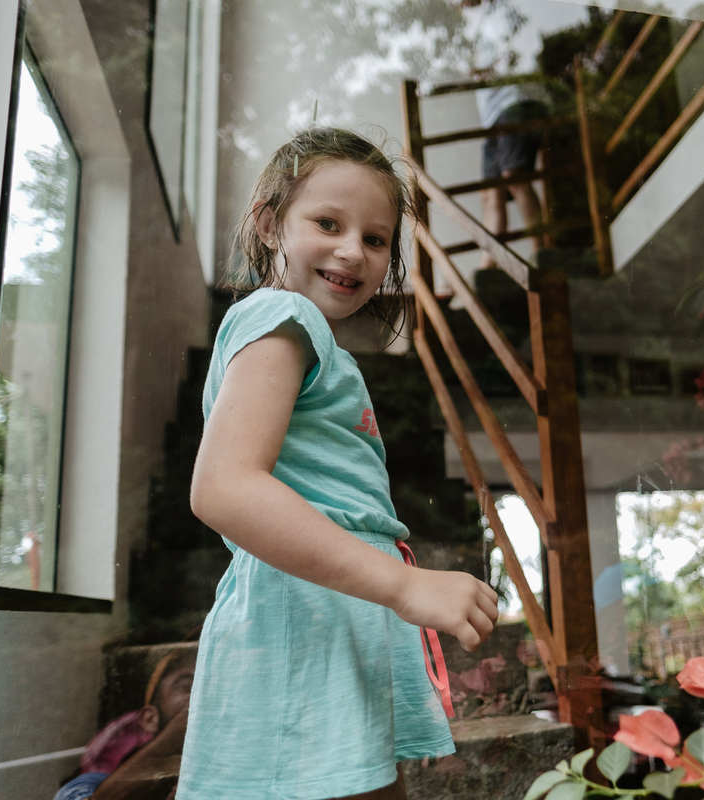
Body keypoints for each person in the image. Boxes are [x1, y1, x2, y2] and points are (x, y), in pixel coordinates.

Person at [175, 127, 499, 800]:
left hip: (332, 613)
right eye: (328, 222)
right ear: (270, 224)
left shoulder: (311, 341)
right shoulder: (280, 315)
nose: (354, 250)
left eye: (376, 239)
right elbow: (224, 487)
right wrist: (406, 587)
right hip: (302, 620)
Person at [53, 650, 195, 800]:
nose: (207, 696)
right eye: (189, 686)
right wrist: (186, 724)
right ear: (150, 719)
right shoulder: (87, 785)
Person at [476, 78, 553, 269]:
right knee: (489, 194)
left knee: (515, 177)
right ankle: (489, 264)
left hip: (514, 102)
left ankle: (541, 252)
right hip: (490, 117)